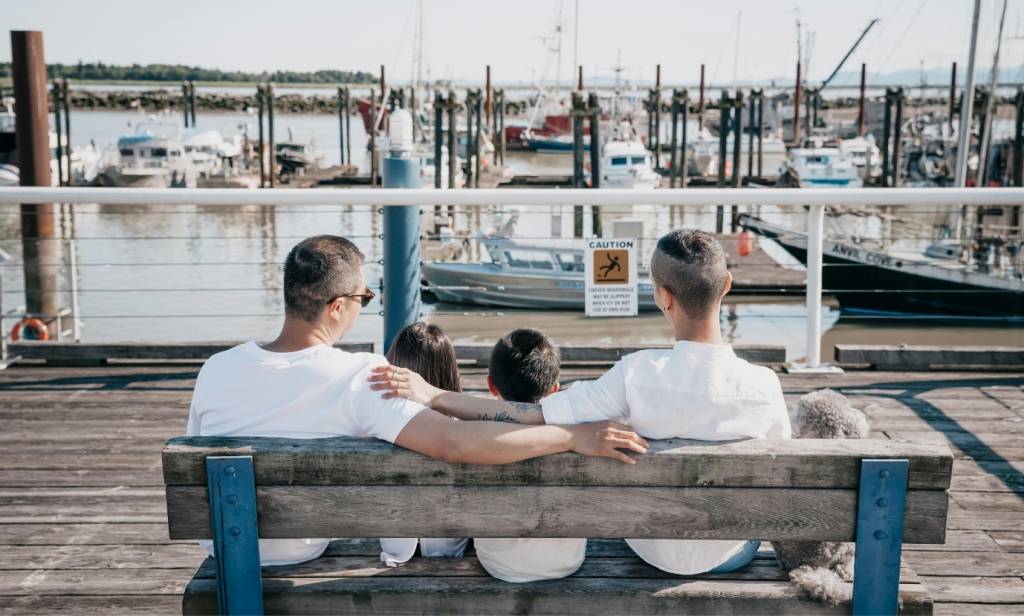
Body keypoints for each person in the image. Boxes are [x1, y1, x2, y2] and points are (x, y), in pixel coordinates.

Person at [186, 235, 648, 567]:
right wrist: (572, 435)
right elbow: (457, 442)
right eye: (364, 297)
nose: (364, 305)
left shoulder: (216, 368)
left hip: (228, 546)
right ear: (336, 306)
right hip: (300, 547)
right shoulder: (359, 376)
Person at [370, 229, 791, 577]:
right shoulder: (766, 387)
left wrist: (434, 395)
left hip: (654, 548)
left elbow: (534, 414)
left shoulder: (635, 374)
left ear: (663, 296)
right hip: (729, 553)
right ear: (727, 286)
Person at [474, 328, 587, 583]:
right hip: (567, 561)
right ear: (555, 389)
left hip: (498, 563)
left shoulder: (473, 435)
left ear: (491, 385)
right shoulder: (580, 430)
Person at [381, 322, 469, 563]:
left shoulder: (377, 425)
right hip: (449, 547)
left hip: (394, 546)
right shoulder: (465, 429)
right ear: (450, 369)